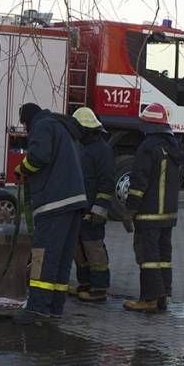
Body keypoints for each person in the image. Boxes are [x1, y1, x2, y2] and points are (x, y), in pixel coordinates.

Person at [13, 102, 87, 324]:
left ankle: (37, 310)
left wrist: (22, 169)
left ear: (27, 120)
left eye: (25, 125)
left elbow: (39, 156)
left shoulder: (42, 126)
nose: (26, 130)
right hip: (74, 202)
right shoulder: (61, 127)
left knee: (43, 258)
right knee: (62, 258)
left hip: (54, 203)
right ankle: (54, 308)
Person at [122, 103, 184, 312]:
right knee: (163, 257)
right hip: (168, 215)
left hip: (148, 213)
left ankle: (148, 299)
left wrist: (130, 210)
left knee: (148, 257)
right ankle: (162, 296)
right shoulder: (174, 146)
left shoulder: (148, 146)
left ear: (148, 124)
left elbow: (139, 181)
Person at [70, 107, 116, 302]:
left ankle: (99, 288)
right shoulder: (82, 147)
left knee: (94, 249)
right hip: (80, 209)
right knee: (79, 249)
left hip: (92, 211)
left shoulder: (102, 150)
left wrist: (98, 209)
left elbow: (107, 183)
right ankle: (85, 284)